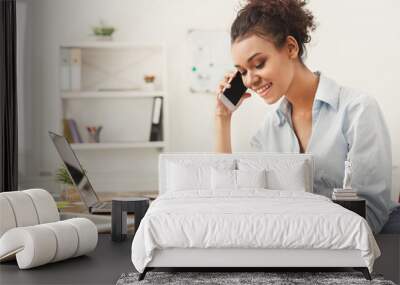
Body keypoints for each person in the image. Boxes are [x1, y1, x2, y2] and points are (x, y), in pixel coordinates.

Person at [215, 0, 399, 234]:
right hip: (297, 253)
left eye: (258, 64)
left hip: (363, 256)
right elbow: (229, 200)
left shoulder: (357, 110)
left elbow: (368, 215)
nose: (249, 80)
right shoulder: (268, 132)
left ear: (291, 48)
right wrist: (222, 117)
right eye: (242, 72)